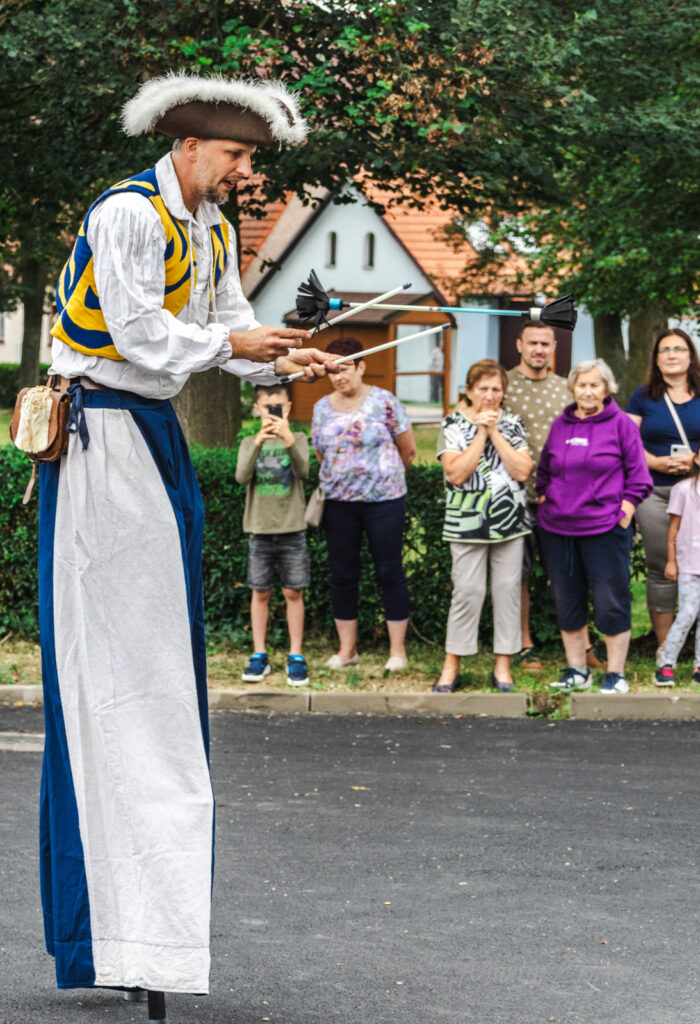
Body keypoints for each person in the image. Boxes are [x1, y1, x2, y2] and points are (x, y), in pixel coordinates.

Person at [39, 74, 334, 997]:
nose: (248, 171)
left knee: (158, 678)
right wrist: (238, 348)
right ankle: (117, 936)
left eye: (250, 158)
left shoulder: (208, 226)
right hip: (102, 432)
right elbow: (138, 333)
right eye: (238, 155)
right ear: (190, 145)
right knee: (119, 685)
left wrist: (285, 352)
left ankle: (141, 936)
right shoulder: (128, 213)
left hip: (150, 433)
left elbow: (226, 328)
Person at [538, 359, 652, 695]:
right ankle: (577, 670)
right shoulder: (561, 424)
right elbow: (544, 470)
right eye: (582, 385)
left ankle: (615, 674)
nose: (587, 391)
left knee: (610, 601)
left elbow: (640, 477)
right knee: (567, 600)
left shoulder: (621, 425)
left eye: (594, 385)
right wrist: (547, 499)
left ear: (606, 389)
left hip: (605, 529)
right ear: (572, 388)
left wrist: (625, 511)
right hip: (558, 529)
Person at [311, 336, 417, 671]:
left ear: (361, 366)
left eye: (344, 368)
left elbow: (409, 450)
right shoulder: (320, 408)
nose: (338, 376)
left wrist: (382, 478)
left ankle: (397, 652)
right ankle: (347, 651)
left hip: (384, 502)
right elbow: (320, 453)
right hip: (339, 504)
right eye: (332, 371)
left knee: (390, 572)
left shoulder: (385, 401)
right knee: (342, 574)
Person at [433, 359, 532, 693]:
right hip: (466, 523)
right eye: (484, 389)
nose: (490, 395)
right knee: (468, 592)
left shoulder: (513, 422)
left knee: (507, 593)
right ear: (470, 391)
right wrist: (480, 432)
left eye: (496, 389)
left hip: (509, 523)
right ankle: (452, 665)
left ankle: (503, 666)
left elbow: (521, 471)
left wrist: (495, 432)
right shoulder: (453, 424)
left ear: (503, 393)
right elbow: (457, 474)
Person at [626, 328, 700, 665]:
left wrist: (695, 460)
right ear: (656, 359)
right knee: (662, 568)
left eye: (678, 349)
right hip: (654, 492)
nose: (671, 355)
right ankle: (665, 649)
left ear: (690, 356)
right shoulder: (642, 397)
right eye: (664, 350)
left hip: (697, 491)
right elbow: (627, 441)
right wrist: (654, 461)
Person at [236, 384, 310, 686]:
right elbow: (241, 476)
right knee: (260, 592)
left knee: (294, 592)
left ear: (288, 408)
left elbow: (304, 471)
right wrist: (258, 442)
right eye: (268, 407)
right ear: (257, 409)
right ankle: (259, 653)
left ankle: (296, 654)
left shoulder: (299, 439)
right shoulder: (248, 442)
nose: (273, 412)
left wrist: (288, 438)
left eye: (279, 406)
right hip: (259, 529)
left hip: (292, 528)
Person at [505, 319, 569, 671]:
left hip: (561, 499)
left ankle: (578, 641)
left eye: (545, 344)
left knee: (569, 573)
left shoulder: (567, 389)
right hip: (515, 498)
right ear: (519, 345)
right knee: (520, 576)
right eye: (532, 343)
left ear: (554, 347)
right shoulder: (502, 385)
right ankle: (523, 643)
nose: (539, 350)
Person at [655, 450, 700, 687]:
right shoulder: (683, 489)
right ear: (697, 458)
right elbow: (673, 531)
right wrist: (672, 561)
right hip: (690, 564)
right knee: (687, 614)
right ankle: (666, 663)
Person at [429, 336, 445, 404]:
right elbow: (430, 362)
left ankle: (443, 402)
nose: (442, 344)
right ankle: (434, 401)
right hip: (435, 373)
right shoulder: (435, 351)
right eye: (441, 342)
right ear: (439, 343)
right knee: (435, 388)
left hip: (443, 373)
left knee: (443, 388)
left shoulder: (445, 352)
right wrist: (433, 371)